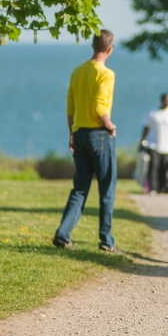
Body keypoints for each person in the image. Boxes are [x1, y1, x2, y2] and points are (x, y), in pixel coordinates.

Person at [53, 30, 120, 254]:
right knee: (106, 189)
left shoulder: (78, 71)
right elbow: (100, 106)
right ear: (109, 49)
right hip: (99, 135)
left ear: (93, 46)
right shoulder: (106, 74)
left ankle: (63, 233)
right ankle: (106, 239)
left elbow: (70, 105)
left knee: (80, 188)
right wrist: (110, 125)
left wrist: (71, 132)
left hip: (80, 133)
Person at [141, 93, 168, 194]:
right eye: (165, 99)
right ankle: (153, 188)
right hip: (153, 145)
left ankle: (163, 188)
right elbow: (146, 128)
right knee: (154, 167)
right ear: (161, 100)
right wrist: (142, 142)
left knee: (165, 168)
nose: (167, 102)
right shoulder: (152, 112)